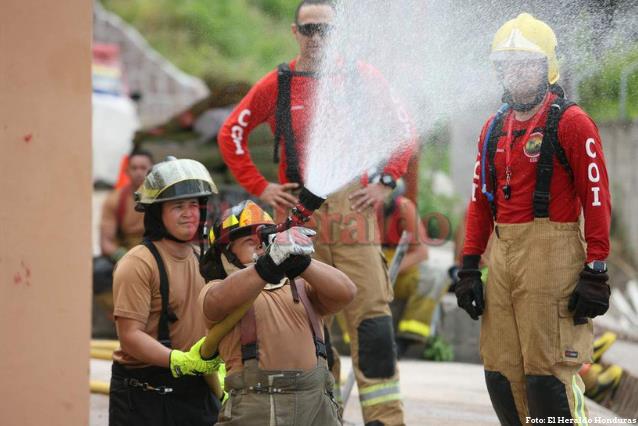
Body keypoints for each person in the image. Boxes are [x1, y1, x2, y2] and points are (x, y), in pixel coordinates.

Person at [217, 1, 413, 423]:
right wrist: (262, 187)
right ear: (295, 32)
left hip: (354, 211)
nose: (317, 38)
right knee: (308, 317)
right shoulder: (279, 84)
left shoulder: (362, 78)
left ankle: (385, 418)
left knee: (372, 321)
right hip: (300, 215)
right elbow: (231, 132)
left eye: (325, 29)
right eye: (309, 30)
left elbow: (403, 129)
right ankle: (327, 414)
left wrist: (386, 181)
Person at [456, 13, 612, 424]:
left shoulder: (572, 122)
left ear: (547, 66)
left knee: (548, 378)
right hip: (503, 256)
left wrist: (596, 267)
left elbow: (597, 198)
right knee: (501, 373)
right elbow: (480, 203)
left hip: (554, 252)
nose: (516, 73)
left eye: (526, 62)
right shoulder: (493, 128)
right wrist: (470, 266)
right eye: (507, 64)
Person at [198, 200, 356, 425]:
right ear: (225, 254)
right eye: (249, 241)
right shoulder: (215, 290)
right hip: (254, 408)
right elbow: (218, 301)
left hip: (315, 407)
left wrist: (302, 264)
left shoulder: (302, 286)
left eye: (264, 239)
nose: (261, 246)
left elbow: (347, 292)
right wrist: (266, 266)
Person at [108, 157, 222, 426]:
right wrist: (178, 360)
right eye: (178, 206)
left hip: (196, 386)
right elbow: (130, 336)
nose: (189, 213)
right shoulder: (137, 263)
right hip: (144, 396)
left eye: (194, 204)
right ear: (157, 213)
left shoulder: (201, 258)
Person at [94, 149, 154, 320]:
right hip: (127, 252)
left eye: (143, 168)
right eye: (134, 168)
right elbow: (106, 243)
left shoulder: (163, 197)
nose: (138, 172)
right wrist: (126, 258)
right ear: (127, 171)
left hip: (158, 250)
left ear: (152, 170)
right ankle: (124, 316)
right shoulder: (115, 199)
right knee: (99, 272)